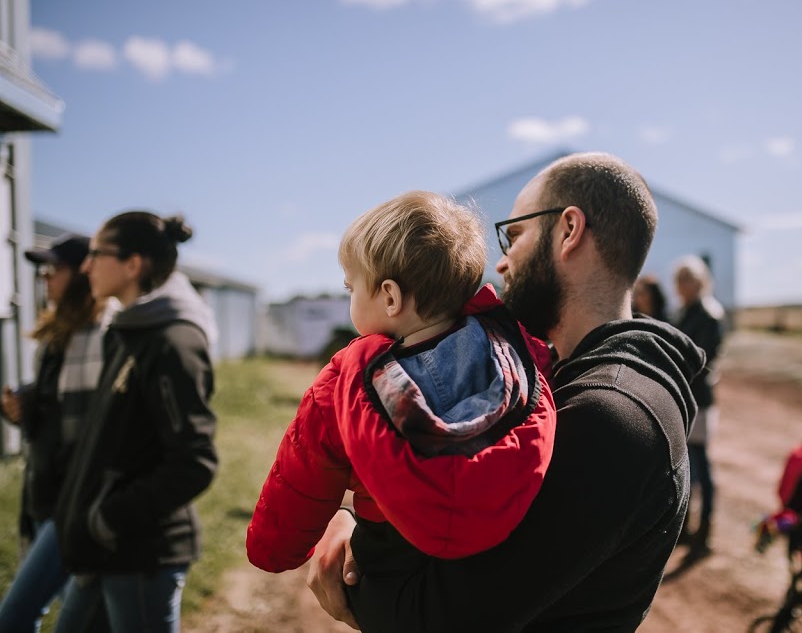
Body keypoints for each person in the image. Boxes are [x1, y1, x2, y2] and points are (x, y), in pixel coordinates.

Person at [306, 151, 705, 632]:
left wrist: (358, 535)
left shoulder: (612, 415)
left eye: (514, 235)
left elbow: (426, 618)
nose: (501, 263)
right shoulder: (579, 381)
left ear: (568, 230)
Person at [246, 191, 556, 571]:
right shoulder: (517, 353)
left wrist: (272, 552)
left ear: (390, 297)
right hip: (498, 563)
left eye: (351, 287)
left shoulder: (345, 382)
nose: (349, 296)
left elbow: (301, 479)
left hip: (391, 555)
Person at [51, 212, 219, 633]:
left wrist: (109, 517)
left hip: (140, 555)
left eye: (96, 254)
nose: (85, 266)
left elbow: (195, 461)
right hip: (102, 550)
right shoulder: (124, 333)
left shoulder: (173, 342)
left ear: (133, 264)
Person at [0, 235, 107, 632]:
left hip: (72, 499)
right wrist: (20, 406)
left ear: (82, 273)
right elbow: (55, 403)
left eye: (53, 269)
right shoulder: (54, 335)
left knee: (15, 617)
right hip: (45, 492)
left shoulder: (101, 335)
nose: (44, 278)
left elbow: (100, 416)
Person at [671, 255, 724, 561]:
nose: (680, 286)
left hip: (700, 402)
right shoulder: (688, 311)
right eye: (678, 280)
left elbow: (705, 360)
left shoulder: (708, 314)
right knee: (689, 465)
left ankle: (704, 529)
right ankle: (689, 527)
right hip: (688, 398)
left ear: (698, 281)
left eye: (685, 280)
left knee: (700, 464)